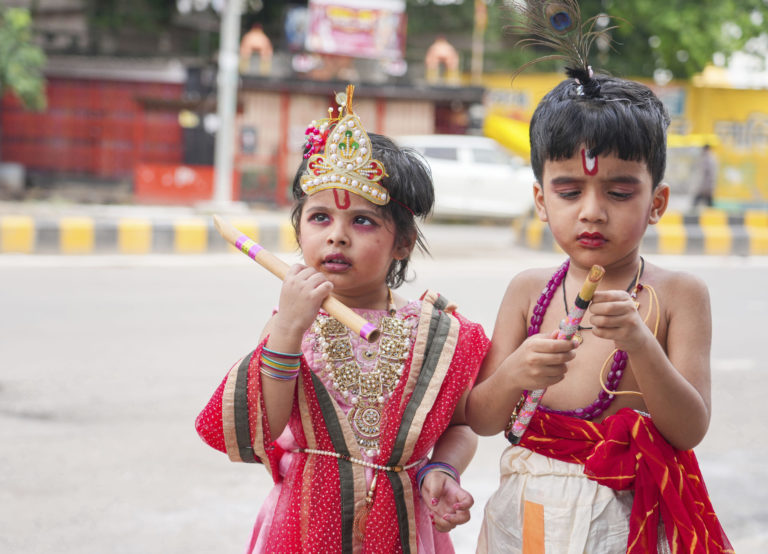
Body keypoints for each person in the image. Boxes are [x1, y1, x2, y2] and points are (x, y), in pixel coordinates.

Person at [465, 3, 733, 552]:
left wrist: (640, 343)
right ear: (541, 200)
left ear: (657, 202)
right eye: (569, 191)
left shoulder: (678, 295)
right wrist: (515, 372)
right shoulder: (527, 291)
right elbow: (482, 418)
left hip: (628, 519)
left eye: (619, 192)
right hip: (530, 513)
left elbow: (689, 430)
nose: (592, 212)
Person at [195, 85, 489, 553]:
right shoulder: (288, 326)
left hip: (404, 526)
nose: (337, 236)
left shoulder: (439, 332)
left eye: (362, 221)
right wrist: (289, 328)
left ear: (403, 243)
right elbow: (262, 429)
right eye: (319, 218)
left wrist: (444, 468)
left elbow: (460, 424)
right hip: (305, 525)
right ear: (298, 231)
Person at [691, 144, 717, 209]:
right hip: (706, 186)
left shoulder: (708, 159)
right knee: (708, 202)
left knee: (697, 201)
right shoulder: (710, 157)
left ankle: (692, 211)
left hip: (705, 186)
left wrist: (706, 186)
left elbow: (707, 174)